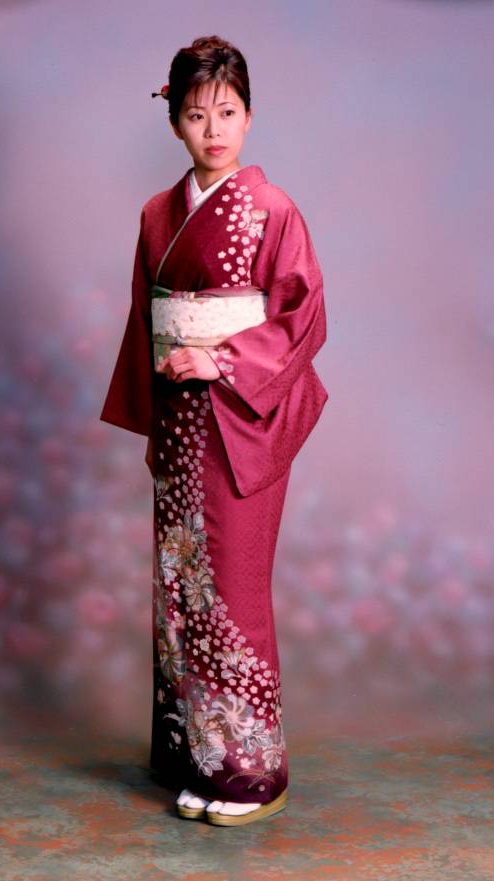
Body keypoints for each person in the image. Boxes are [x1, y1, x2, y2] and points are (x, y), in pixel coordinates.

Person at [99, 34, 328, 826]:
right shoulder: (156, 214)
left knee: (230, 586)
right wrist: (154, 410)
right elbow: (147, 316)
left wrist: (221, 359)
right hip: (179, 419)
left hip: (240, 417)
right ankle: (193, 756)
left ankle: (249, 773)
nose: (214, 130)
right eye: (197, 115)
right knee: (180, 587)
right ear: (174, 122)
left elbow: (303, 316)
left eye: (227, 112)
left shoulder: (274, 210)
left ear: (249, 116)